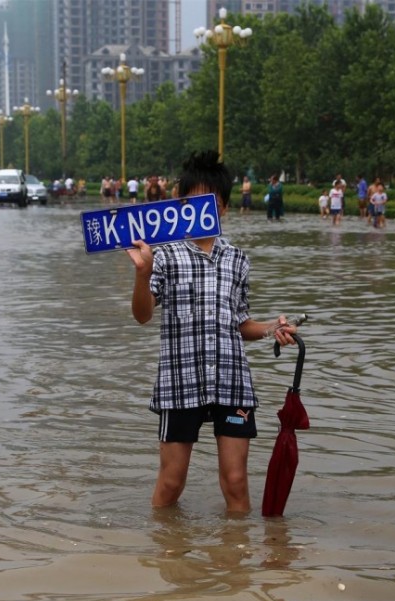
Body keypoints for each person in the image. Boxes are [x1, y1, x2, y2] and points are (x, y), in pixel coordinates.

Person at [126, 150, 298, 513]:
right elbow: (142, 315)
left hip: (231, 381)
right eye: (191, 201)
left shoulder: (237, 259)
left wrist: (273, 329)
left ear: (223, 208)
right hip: (179, 382)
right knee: (171, 482)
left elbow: (241, 324)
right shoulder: (163, 255)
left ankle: (235, 563)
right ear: (179, 204)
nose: (200, 209)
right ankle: (164, 554)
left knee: (236, 482)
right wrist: (142, 275)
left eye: (210, 202)